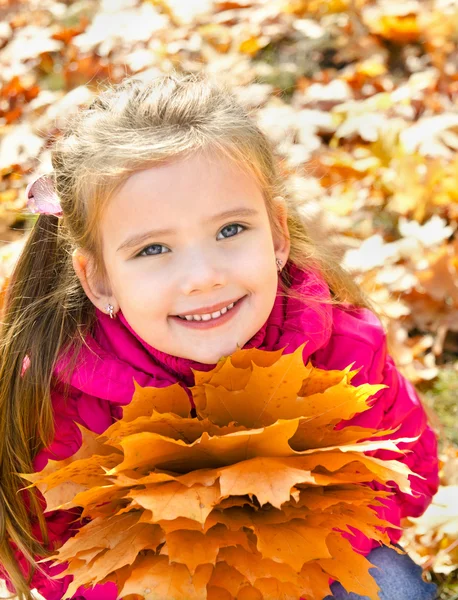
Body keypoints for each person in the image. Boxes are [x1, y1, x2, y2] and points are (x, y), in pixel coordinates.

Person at [0, 73, 439, 600]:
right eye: (153, 250)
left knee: (391, 589)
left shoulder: (340, 344)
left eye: (230, 230)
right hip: (152, 592)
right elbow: (44, 550)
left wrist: (274, 565)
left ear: (277, 234)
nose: (204, 275)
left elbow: (401, 470)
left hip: (305, 573)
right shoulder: (64, 391)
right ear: (98, 279)